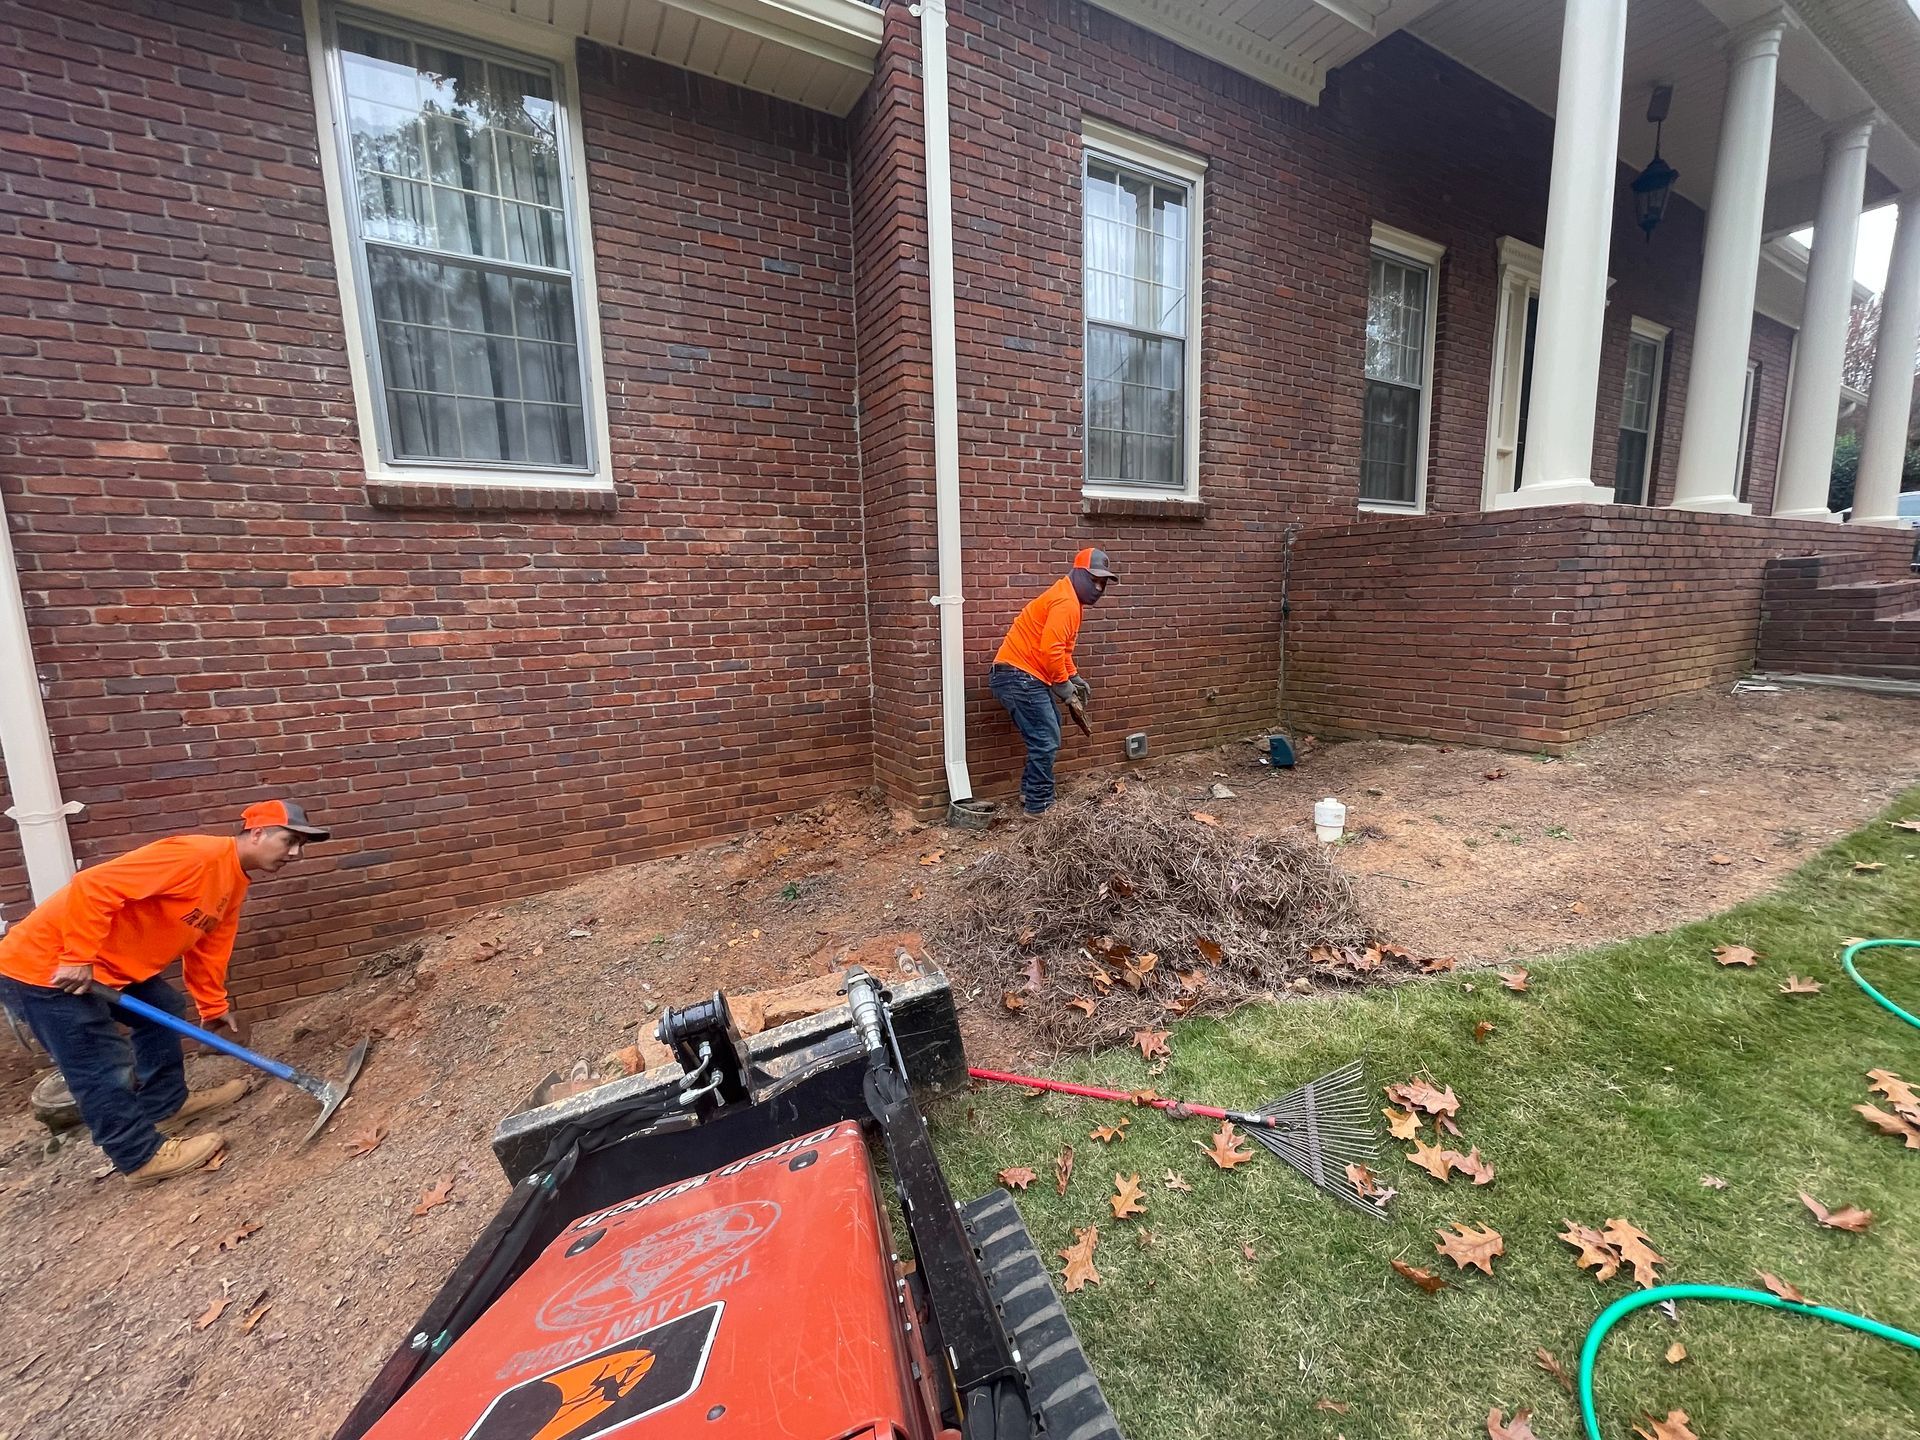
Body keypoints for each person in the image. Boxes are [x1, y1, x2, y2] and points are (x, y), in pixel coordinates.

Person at [0, 799, 329, 1185]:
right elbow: (94, 886)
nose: (295, 853)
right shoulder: (195, 856)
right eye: (289, 840)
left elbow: (209, 946)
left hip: (108, 967)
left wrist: (213, 1006)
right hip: (48, 969)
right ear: (257, 833)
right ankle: (139, 1158)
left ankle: (166, 1104)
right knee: (100, 1064)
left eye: (302, 846)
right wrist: (77, 955)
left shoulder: (234, 880)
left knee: (163, 1006)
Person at [990, 547, 1117, 817]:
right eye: (1093, 579)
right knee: (1045, 739)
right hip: (1019, 676)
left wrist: (1074, 676)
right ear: (1078, 574)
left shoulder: (1070, 599)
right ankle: (1039, 806)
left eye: (1102, 583)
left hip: (1021, 676)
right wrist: (1064, 686)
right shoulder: (1066, 603)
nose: (1097, 587)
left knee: (1047, 733)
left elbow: (1062, 650)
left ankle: (1030, 792)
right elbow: (1050, 651)